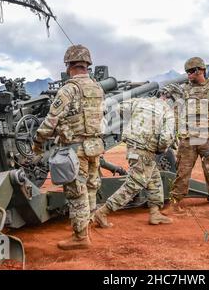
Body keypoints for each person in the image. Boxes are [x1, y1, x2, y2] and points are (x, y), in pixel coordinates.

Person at [32, 45, 105, 250]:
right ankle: (87, 225)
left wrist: (37, 144)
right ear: (87, 65)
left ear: (69, 65)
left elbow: (50, 121)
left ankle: (80, 237)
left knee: (76, 191)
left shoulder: (69, 89)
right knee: (91, 186)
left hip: (76, 149)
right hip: (95, 145)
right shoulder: (97, 88)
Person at [93, 90, 178, 228]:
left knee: (154, 179)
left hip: (132, 148)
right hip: (145, 151)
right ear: (172, 100)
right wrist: (161, 149)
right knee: (133, 185)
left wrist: (137, 122)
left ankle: (155, 213)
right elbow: (165, 139)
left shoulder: (141, 101)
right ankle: (103, 212)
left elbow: (118, 109)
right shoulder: (167, 112)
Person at [170, 57, 209, 221]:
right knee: (182, 172)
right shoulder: (184, 91)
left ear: (201, 70)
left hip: (208, 137)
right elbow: (177, 112)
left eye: (191, 71)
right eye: (187, 72)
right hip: (188, 138)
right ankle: (175, 204)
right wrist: (173, 131)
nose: (188, 75)